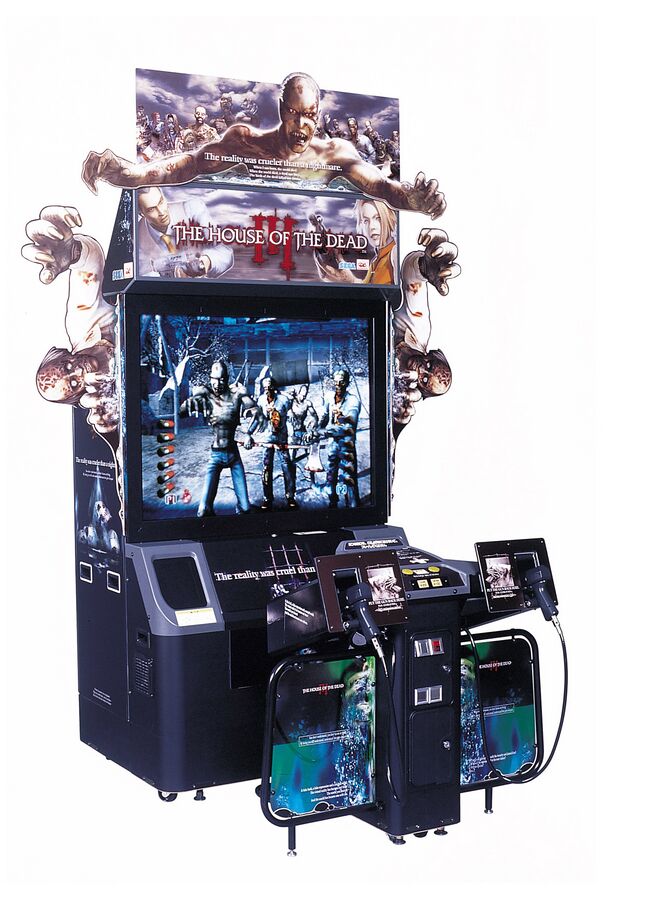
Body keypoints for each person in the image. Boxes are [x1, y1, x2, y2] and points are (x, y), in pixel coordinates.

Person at [82, 72, 445, 218]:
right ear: (281, 109)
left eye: (311, 116)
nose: (303, 126)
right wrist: (130, 174)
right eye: (295, 114)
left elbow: (381, 186)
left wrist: (412, 200)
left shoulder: (335, 154)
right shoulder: (245, 142)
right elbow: (189, 164)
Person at [22, 205, 118, 436]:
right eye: (74, 384)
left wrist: (73, 253)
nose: (78, 372)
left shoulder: (82, 323)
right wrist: (115, 424)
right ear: (78, 395)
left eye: (67, 366)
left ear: (64, 355)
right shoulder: (105, 396)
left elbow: (90, 267)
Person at [180, 360, 257, 516]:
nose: (217, 383)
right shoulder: (206, 394)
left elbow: (256, 412)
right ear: (210, 378)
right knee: (203, 511)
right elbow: (182, 411)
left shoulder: (237, 393)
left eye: (221, 379)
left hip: (233, 455)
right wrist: (193, 401)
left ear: (226, 379)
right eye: (214, 379)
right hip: (215, 455)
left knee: (246, 509)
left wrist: (249, 433)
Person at [137, 185, 234, 279]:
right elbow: (143, 277)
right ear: (142, 213)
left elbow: (224, 251)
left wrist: (206, 261)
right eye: (151, 209)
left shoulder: (191, 209)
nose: (161, 212)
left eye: (161, 201)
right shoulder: (136, 234)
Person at [248, 375, 297, 511]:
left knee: (286, 466)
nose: (267, 390)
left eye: (269, 387)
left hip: (282, 438)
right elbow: (257, 418)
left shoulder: (283, 400)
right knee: (266, 468)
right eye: (265, 388)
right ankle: (267, 498)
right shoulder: (261, 400)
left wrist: (293, 433)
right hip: (267, 438)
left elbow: (292, 416)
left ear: (274, 387)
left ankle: (290, 497)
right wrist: (248, 433)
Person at [319, 369, 361, 508]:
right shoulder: (329, 397)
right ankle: (333, 502)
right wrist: (316, 428)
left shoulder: (353, 400)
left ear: (347, 383)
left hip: (346, 446)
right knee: (331, 474)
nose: (338, 385)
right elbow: (324, 417)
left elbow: (348, 426)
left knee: (347, 478)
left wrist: (326, 432)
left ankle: (352, 507)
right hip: (332, 445)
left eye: (341, 382)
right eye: (335, 382)